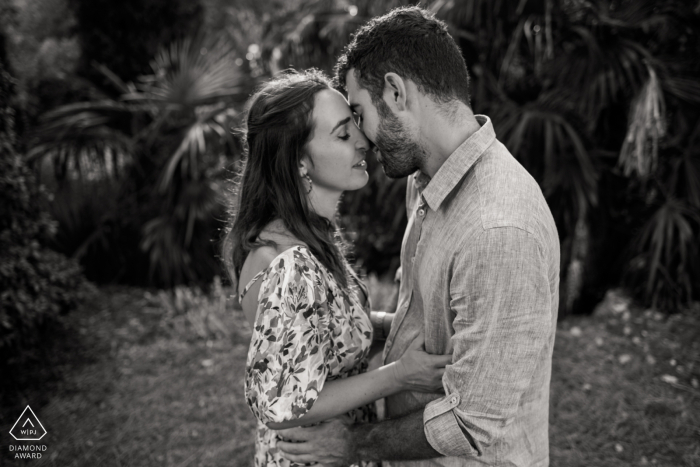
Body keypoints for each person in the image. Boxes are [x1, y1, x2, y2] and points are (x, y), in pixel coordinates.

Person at [275, 7, 561, 467]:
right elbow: (430, 314)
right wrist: (350, 325)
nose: (362, 140)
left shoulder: (499, 231)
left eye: (359, 113)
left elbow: (472, 424)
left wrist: (353, 444)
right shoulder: (427, 179)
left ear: (395, 91)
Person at [221, 69, 452, 467]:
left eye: (356, 126)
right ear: (298, 163)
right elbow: (285, 404)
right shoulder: (289, 265)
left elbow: (328, 333)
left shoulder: (304, 238)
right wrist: (400, 374)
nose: (364, 141)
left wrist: (400, 321)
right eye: (344, 135)